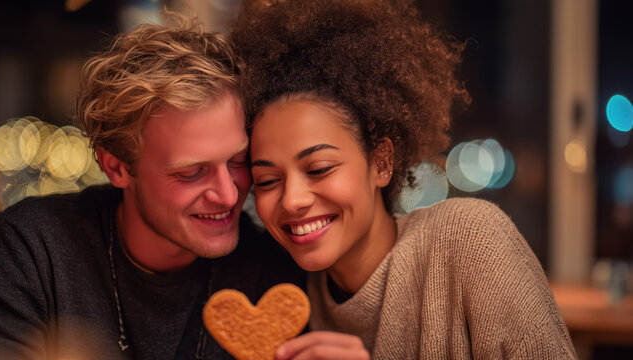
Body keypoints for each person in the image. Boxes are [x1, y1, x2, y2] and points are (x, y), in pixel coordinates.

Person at [231, 0, 578, 359]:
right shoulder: (282, 289)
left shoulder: (471, 241)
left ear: (381, 162)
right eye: (268, 180)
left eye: (319, 169)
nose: (292, 200)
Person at [0, 14, 304, 360]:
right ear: (117, 167)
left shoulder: (273, 270)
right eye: (192, 172)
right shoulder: (31, 253)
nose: (229, 195)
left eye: (237, 161)